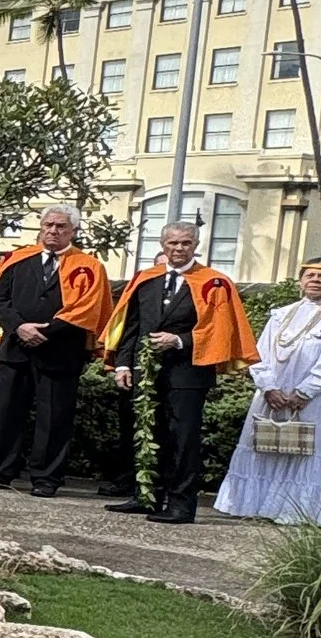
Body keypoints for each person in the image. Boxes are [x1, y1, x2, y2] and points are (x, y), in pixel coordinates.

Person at [103, 220, 259, 522]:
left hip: (188, 372)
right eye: (173, 243)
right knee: (147, 433)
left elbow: (220, 329)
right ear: (163, 245)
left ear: (195, 245)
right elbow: (130, 326)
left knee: (182, 438)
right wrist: (123, 363)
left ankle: (180, 504)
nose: (178, 248)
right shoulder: (145, 279)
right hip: (145, 372)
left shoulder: (214, 282)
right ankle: (146, 496)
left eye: (185, 243)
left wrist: (179, 340)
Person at [0, 206, 112, 497]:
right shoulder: (16, 260)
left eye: (61, 226)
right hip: (16, 349)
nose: (53, 230)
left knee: (54, 418)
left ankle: (46, 478)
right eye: (48, 225)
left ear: (73, 231)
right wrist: (20, 327)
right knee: (6, 413)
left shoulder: (89, 266)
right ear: (41, 227)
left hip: (61, 352)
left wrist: (46, 331)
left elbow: (87, 309)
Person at [217, 259, 321, 525]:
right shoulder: (282, 314)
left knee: (307, 450)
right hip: (274, 394)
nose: (315, 280)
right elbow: (259, 353)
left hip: (318, 397)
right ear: (301, 280)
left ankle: (300, 512)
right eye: (310, 275)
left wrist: (305, 391)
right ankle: (257, 505)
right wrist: (269, 387)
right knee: (266, 446)